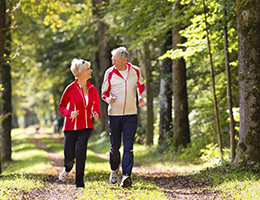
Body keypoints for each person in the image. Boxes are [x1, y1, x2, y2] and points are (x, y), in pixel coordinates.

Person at [101, 47, 145, 187]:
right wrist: (108, 99)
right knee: (115, 147)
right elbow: (104, 93)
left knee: (128, 146)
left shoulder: (135, 71)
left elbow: (141, 85)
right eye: (112, 59)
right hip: (114, 114)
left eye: (116, 60)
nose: (113, 62)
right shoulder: (109, 72)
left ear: (124, 60)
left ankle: (126, 176)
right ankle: (114, 170)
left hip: (131, 114)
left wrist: (141, 97)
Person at [58, 58, 101, 189]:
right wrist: (69, 113)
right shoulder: (70, 88)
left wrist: (96, 113)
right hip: (71, 126)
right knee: (69, 155)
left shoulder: (92, 89)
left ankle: (79, 183)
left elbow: (96, 105)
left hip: (86, 125)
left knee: (81, 152)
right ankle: (67, 168)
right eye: (88, 69)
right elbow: (61, 106)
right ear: (81, 72)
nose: (91, 70)